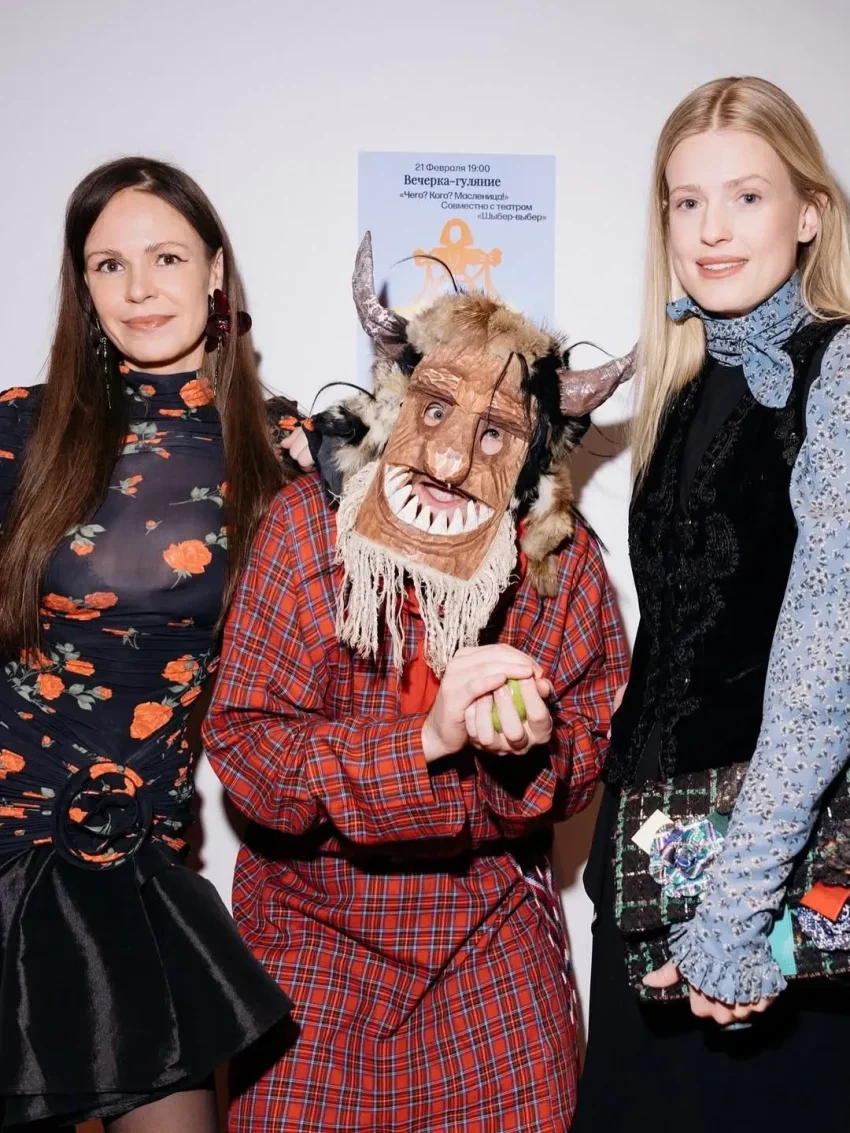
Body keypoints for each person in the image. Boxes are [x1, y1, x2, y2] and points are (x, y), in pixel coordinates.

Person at [203, 233, 631, 1132]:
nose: (449, 460)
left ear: (531, 453)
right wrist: (425, 743)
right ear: (396, 405)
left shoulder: (559, 564)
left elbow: (593, 743)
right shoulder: (301, 531)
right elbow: (247, 750)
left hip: (490, 948)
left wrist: (532, 753)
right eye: (434, 413)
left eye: (492, 433)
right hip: (311, 947)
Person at [572, 76, 850, 1132]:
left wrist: (737, 909)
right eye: (687, 201)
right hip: (648, 866)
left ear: (809, 213)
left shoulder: (838, 367)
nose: (711, 229)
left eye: (746, 196)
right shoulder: (687, 379)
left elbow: (825, 666)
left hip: (772, 882)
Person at [0, 156, 297, 1131]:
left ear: (215, 270)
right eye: (108, 264)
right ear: (82, 285)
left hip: (136, 869)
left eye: (166, 257)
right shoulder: (18, 431)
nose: (138, 289)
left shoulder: (289, 449)